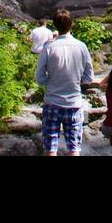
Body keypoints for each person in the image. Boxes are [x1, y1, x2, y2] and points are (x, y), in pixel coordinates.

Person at [35, 9, 95, 156]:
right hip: (74, 102)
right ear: (71, 24)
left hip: (52, 101)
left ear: (55, 26)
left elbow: (39, 78)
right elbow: (89, 77)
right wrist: (78, 81)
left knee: (50, 148)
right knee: (74, 148)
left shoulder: (48, 48)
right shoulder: (82, 46)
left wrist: (50, 81)